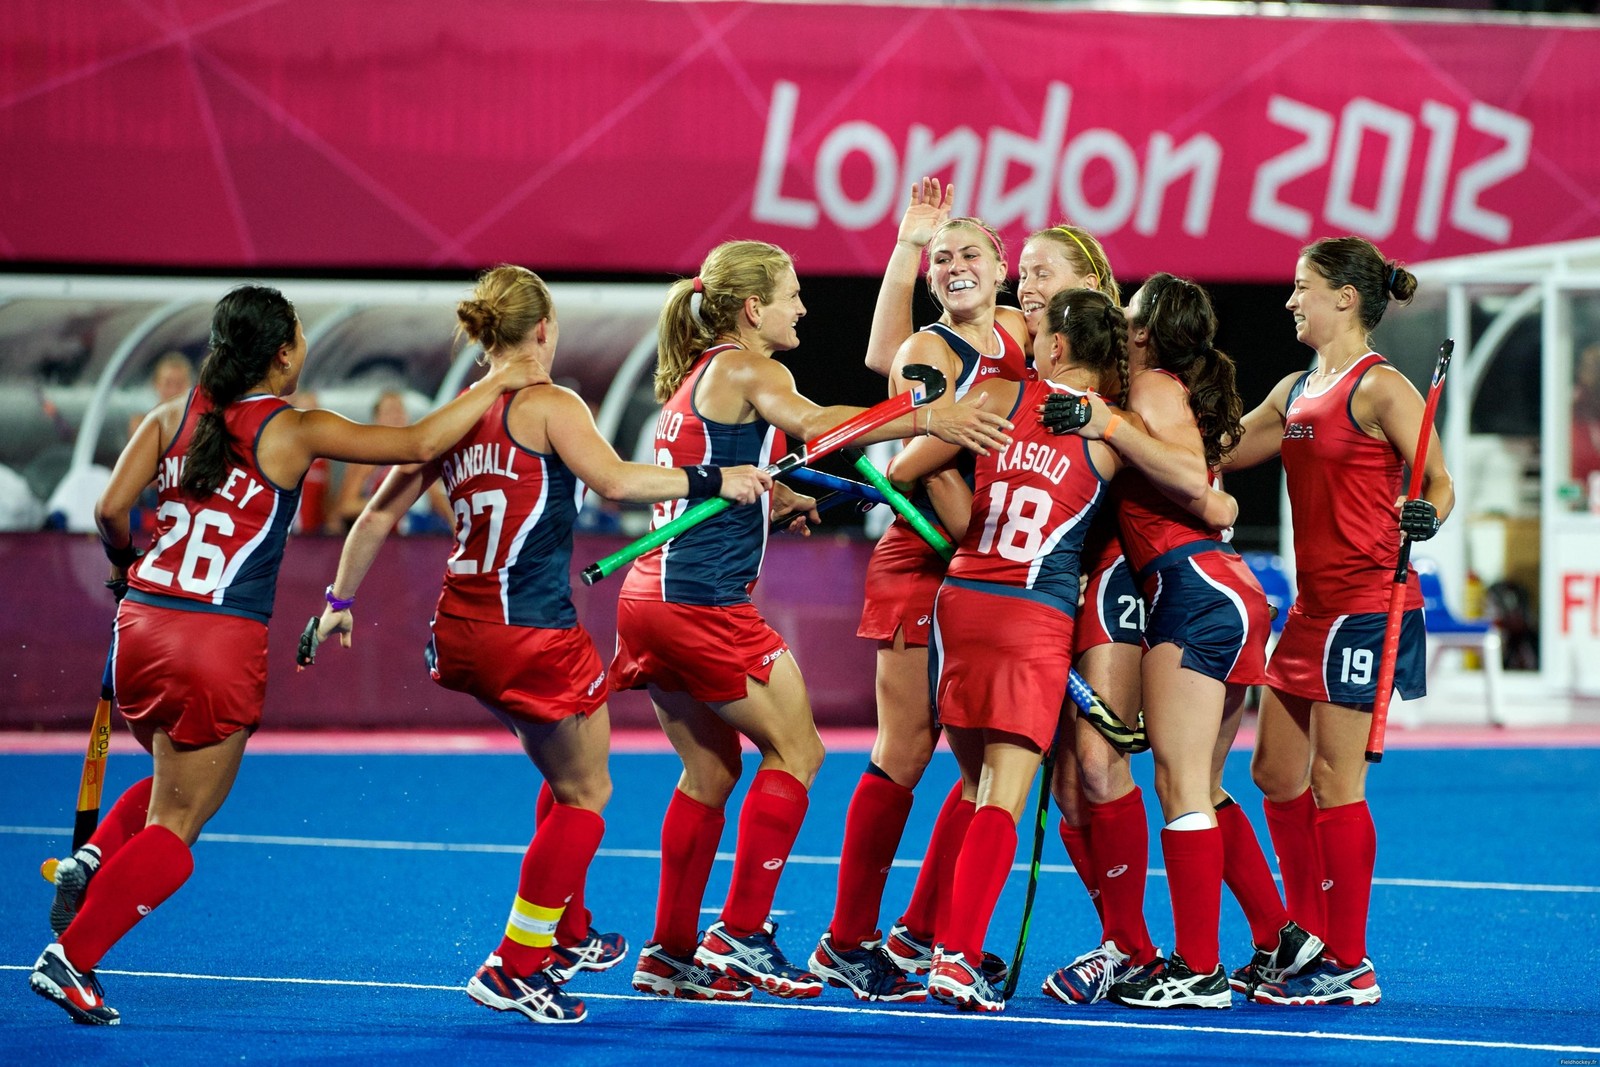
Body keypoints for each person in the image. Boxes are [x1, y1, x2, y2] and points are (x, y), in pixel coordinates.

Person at [28, 284, 551, 1026]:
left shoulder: (168, 417)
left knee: (170, 777)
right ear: (281, 353)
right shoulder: (291, 428)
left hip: (140, 624)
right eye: (300, 337)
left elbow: (112, 510)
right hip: (215, 638)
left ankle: (92, 860)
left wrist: (122, 567)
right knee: (179, 829)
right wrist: (499, 380)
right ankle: (71, 959)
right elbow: (419, 444)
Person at [310, 265, 772, 1024]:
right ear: (545, 330)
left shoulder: (453, 414)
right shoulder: (553, 404)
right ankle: (519, 962)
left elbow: (373, 515)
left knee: (562, 766)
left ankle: (571, 929)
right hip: (531, 632)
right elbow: (619, 482)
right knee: (589, 795)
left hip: (460, 630)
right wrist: (714, 478)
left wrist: (337, 601)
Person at [611, 239, 1012, 1003]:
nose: (804, 307)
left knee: (712, 768)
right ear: (753, 307)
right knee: (798, 752)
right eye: (793, 295)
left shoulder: (700, 375)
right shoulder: (750, 367)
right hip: (701, 602)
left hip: (647, 598)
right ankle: (742, 932)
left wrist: (780, 498)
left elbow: (726, 473)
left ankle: (670, 951)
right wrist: (931, 416)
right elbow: (817, 421)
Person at [883, 287, 1209, 1012]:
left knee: (971, 788)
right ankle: (957, 960)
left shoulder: (998, 393)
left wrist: (966, 525)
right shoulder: (1112, 429)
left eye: (1035, 329)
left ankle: (939, 947)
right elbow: (1201, 492)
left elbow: (906, 467)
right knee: (1006, 789)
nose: (1026, 338)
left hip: (960, 600)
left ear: (1059, 347)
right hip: (1035, 611)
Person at [1224, 237, 1454, 1006]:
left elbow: (1439, 481)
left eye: (1301, 287)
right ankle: (1307, 941)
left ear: (1345, 297)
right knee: (1274, 774)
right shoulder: (1295, 389)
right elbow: (1222, 450)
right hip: (1310, 611)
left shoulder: (1380, 386)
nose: (1289, 301)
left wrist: (1427, 512)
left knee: (1334, 780)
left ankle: (1349, 964)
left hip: (1367, 606)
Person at [817, 197, 1031, 1000]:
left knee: (977, 765)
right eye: (942, 259)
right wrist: (908, 243)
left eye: (967, 252)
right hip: (924, 557)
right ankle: (846, 937)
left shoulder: (1020, 332)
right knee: (905, 750)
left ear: (1002, 267)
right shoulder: (928, 346)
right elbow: (895, 384)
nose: (955, 267)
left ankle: (922, 934)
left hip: (985, 564)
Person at [1053, 273, 1286, 1009]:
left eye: (1128, 314)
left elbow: (1197, 482)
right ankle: (1283, 941)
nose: (1119, 322)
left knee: (1178, 785)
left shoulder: (1151, 385)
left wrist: (1109, 425)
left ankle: (1198, 967)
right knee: (1205, 787)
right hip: (1226, 588)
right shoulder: (1169, 386)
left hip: (1191, 588)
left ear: (1148, 331)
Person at [326, 390, 455, 535]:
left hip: (417, 543)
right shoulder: (367, 458)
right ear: (377, 420)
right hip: (384, 542)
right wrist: (391, 507)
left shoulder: (418, 457)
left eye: (399, 410)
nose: (396, 415)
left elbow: (438, 502)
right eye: (389, 411)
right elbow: (346, 507)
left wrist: (458, 530)